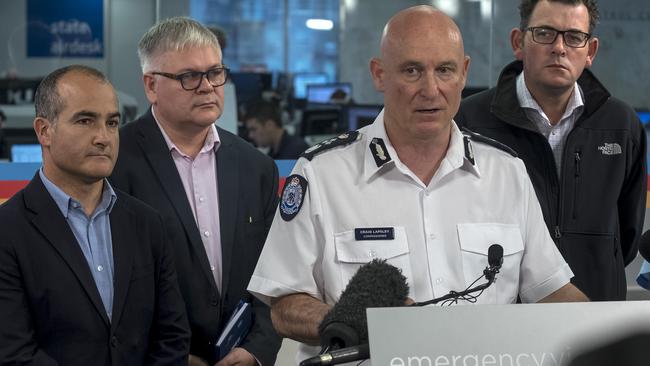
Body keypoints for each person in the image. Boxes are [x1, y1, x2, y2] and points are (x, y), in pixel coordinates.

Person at [247, 5, 587, 363]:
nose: (430, 89)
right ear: (379, 74)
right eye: (412, 71)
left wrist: (610, 330)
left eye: (444, 70)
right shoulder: (321, 174)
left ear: (464, 73)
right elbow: (284, 304)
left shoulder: (506, 172)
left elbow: (550, 290)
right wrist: (353, 320)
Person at [110, 17, 281, 366]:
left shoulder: (256, 167)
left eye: (215, 73)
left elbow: (275, 274)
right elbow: (105, 285)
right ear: (151, 85)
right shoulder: (113, 162)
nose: (207, 87)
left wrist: (256, 350)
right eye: (189, 76)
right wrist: (172, 356)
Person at [455, 0, 647, 301]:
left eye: (573, 37)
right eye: (545, 33)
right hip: (501, 322)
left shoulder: (621, 125)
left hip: (594, 310)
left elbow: (627, 235)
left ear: (590, 51)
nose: (559, 48)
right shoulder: (470, 121)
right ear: (518, 43)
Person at [0, 65, 190, 365]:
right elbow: (14, 353)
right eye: (85, 120)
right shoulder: (8, 230)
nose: (103, 137)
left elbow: (172, 337)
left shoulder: (147, 224)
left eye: (112, 123)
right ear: (44, 131)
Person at [245, 99, 309, 159]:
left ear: (269, 125)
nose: (250, 135)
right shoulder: (273, 153)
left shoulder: (296, 150)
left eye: (253, 129)